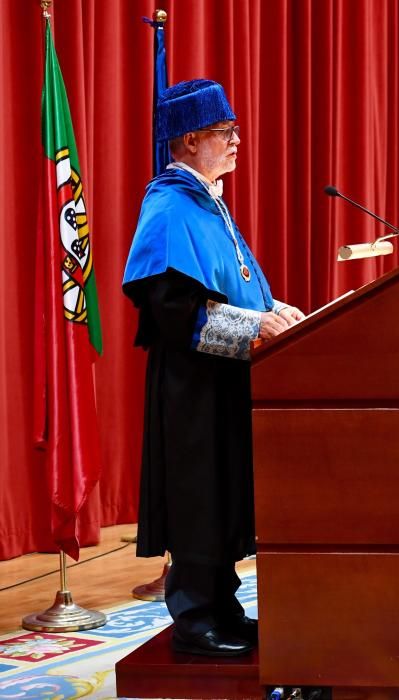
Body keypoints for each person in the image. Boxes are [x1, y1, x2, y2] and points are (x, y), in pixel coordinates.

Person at [122, 79, 304, 657]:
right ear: (191, 138)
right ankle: (195, 615)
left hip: (225, 382)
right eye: (226, 134)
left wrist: (276, 311)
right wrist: (256, 327)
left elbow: (237, 287)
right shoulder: (170, 204)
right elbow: (174, 309)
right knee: (199, 493)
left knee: (224, 492)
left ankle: (222, 605)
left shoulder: (209, 202)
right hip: (191, 388)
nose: (236, 143)